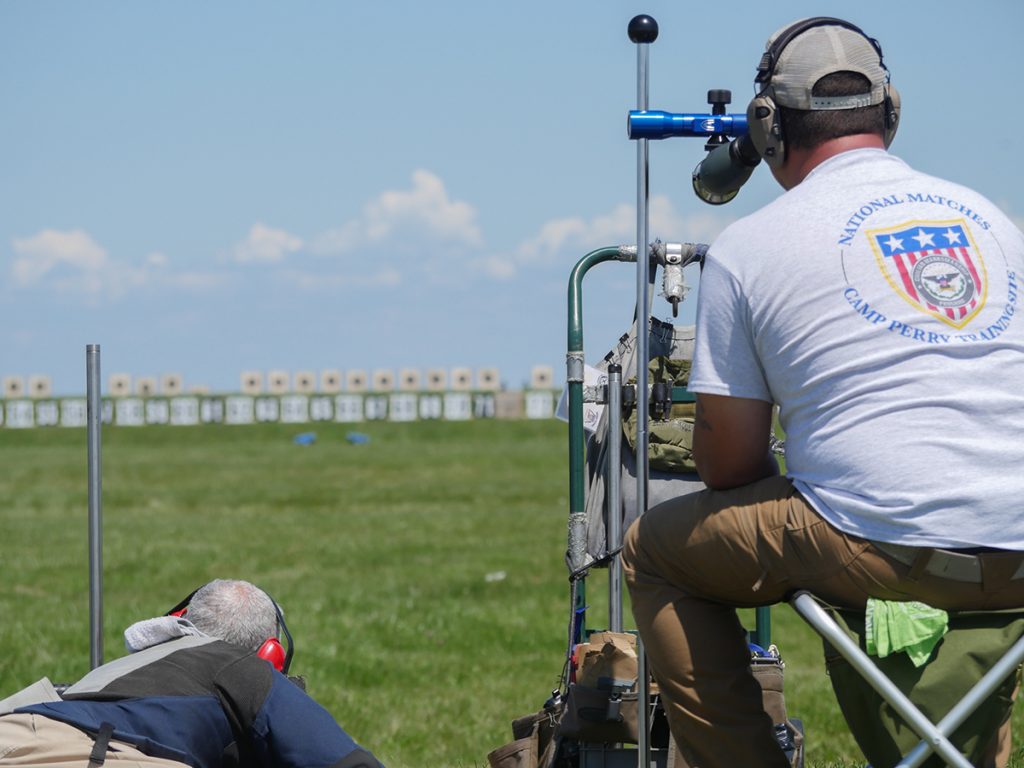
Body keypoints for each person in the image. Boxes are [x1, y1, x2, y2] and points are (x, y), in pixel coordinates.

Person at [621, 16, 1024, 768]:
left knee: (655, 551)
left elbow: (728, 467)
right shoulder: (991, 221)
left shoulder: (749, 247)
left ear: (767, 127)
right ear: (891, 110)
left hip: (883, 546)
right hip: (1016, 550)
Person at [0, 579, 383, 768]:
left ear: (177, 623)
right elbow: (344, 763)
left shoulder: (119, 671)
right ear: (271, 654)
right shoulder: (242, 666)